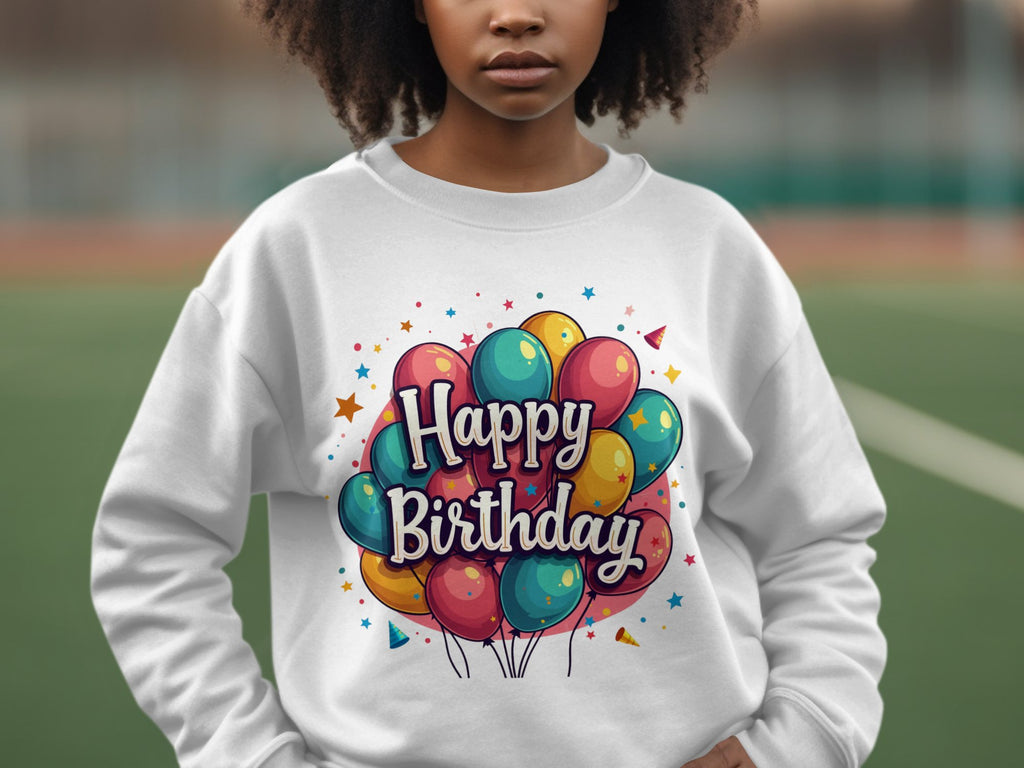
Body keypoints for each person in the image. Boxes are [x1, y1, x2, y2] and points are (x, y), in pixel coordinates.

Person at [90, 2, 887, 767]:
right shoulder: (298, 247)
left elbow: (819, 537)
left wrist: (801, 741)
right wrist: (248, 755)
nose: (516, 15)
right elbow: (153, 540)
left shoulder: (709, 247)